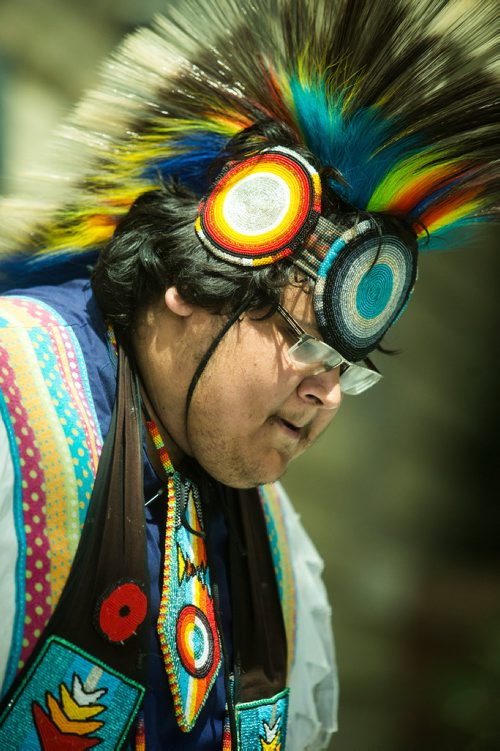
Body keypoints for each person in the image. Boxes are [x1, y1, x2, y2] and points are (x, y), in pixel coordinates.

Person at [0, 1, 498, 749]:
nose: (325, 393)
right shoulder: (15, 404)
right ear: (193, 288)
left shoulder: (276, 545)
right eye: (304, 343)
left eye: (345, 368)